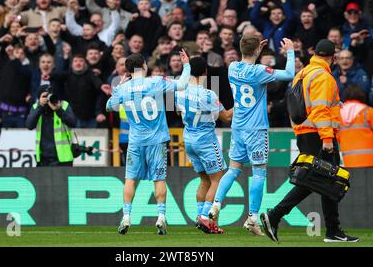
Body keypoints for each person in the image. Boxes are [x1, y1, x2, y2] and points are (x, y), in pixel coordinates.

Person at [260, 39, 359, 243]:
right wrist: (327, 138)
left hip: (305, 132)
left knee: (326, 179)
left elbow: (298, 106)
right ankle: (275, 215)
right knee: (315, 179)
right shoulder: (324, 76)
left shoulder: (303, 73)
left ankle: (333, 230)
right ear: (332, 57)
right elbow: (321, 109)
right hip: (319, 134)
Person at [209, 35, 295, 236]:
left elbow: (248, 56)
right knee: (258, 172)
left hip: (238, 127)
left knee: (233, 170)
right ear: (258, 51)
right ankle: (252, 219)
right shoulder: (258, 71)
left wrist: (256, 51)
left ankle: (216, 204)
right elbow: (290, 74)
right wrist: (290, 51)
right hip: (256, 129)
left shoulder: (232, 67)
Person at [106, 49, 191, 235]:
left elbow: (109, 106)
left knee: (130, 179)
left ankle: (126, 217)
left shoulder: (123, 88)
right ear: (144, 65)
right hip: (157, 140)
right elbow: (183, 84)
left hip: (135, 141)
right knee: (158, 179)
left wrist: (119, 86)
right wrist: (187, 65)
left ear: (127, 71)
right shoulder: (156, 81)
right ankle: (161, 217)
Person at [175, 56, 233, 234]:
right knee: (217, 179)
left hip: (189, 139)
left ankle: (200, 216)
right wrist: (243, 102)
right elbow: (226, 117)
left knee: (204, 180)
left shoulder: (179, 91)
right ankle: (206, 218)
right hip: (206, 140)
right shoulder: (209, 94)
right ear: (205, 72)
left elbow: (178, 112)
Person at [26, 85, 77, 167]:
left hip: (63, 159)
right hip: (43, 159)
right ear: (39, 98)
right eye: (44, 96)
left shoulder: (63, 105)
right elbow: (29, 125)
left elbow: (73, 123)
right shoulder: (36, 107)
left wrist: (58, 110)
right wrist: (40, 107)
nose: (47, 99)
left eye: (49, 95)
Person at [338, 85, 373, 168]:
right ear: (362, 96)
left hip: (348, 161)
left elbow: (337, 137)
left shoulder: (338, 114)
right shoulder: (369, 112)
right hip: (369, 161)